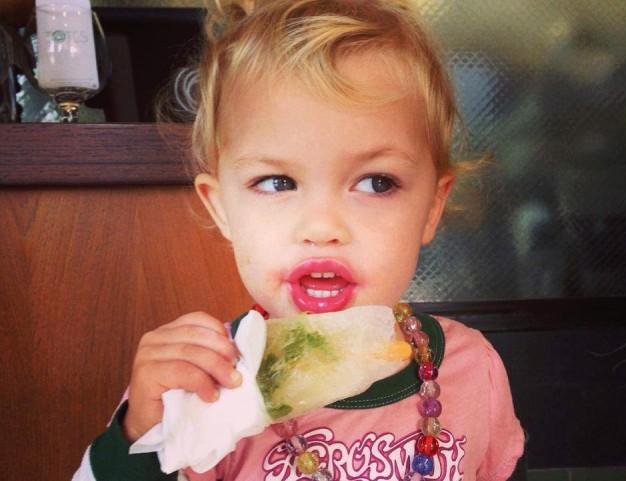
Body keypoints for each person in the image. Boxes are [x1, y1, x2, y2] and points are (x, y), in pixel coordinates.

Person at [73, 0, 524, 480]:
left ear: (431, 207)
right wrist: (141, 436)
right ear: (221, 209)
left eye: (376, 182)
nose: (322, 227)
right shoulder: (200, 385)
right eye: (277, 182)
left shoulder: (473, 368)